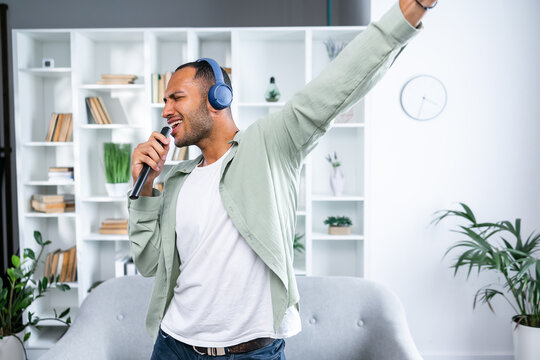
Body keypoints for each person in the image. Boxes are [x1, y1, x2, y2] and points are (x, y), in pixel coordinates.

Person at [128, 0, 437, 359]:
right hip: (173, 346)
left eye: (176, 97)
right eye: (164, 100)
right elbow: (149, 263)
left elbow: (339, 83)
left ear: (218, 97)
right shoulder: (178, 180)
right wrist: (145, 190)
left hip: (251, 352)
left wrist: (410, 10)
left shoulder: (271, 144)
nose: (165, 109)